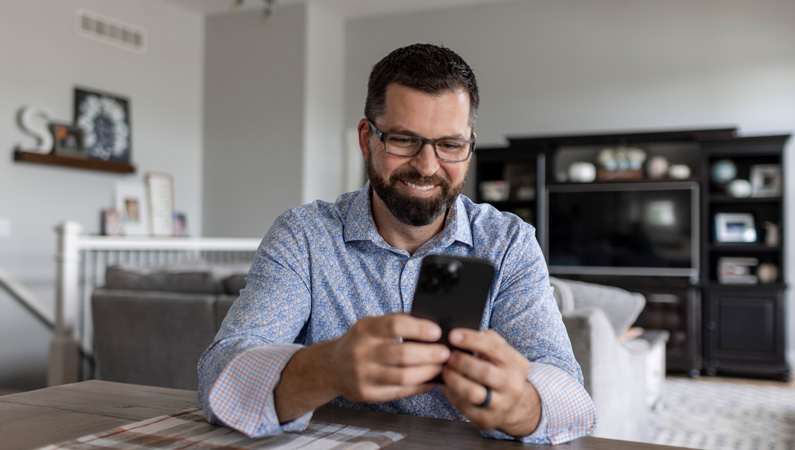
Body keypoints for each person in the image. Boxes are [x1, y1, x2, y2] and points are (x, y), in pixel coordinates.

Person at [198, 43, 597, 444]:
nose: (427, 166)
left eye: (450, 145)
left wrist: (519, 404)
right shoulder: (303, 236)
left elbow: (570, 396)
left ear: (469, 147)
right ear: (365, 138)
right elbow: (220, 376)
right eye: (404, 140)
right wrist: (328, 368)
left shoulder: (509, 243)